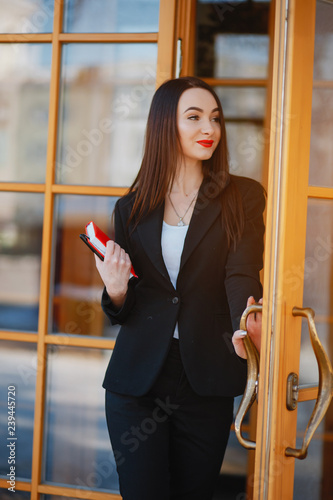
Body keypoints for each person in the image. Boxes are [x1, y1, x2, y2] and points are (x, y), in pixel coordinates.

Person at [95, 76, 265, 500]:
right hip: (137, 383)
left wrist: (247, 322)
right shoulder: (131, 208)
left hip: (205, 375)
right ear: (163, 126)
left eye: (215, 118)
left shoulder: (243, 196)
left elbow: (240, 272)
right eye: (194, 117)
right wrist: (116, 291)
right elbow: (127, 307)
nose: (209, 128)